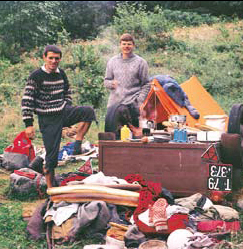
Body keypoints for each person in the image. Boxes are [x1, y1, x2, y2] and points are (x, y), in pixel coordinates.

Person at [21, 45, 96, 188]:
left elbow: (67, 91)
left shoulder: (61, 73)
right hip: (47, 119)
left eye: (57, 58)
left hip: (63, 111)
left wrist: (67, 105)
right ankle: (51, 189)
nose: (54, 61)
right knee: (52, 156)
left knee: (88, 112)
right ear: (44, 57)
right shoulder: (36, 76)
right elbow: (27, 100)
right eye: (51, 58)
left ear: (60, 59)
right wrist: (29, 124)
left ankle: (78, 143)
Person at [104, 33, 151, 139]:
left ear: (133, 45)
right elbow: (106, 81)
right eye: (124, 44)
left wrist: (139, 101)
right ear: (120, 45)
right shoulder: (112, 61)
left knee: (132, 137)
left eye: (129, 44)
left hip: (132, 104)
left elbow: (146, 84)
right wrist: (111, 84)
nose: (126, 46)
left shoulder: (141, 62)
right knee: (112, 136)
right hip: (114, 104)